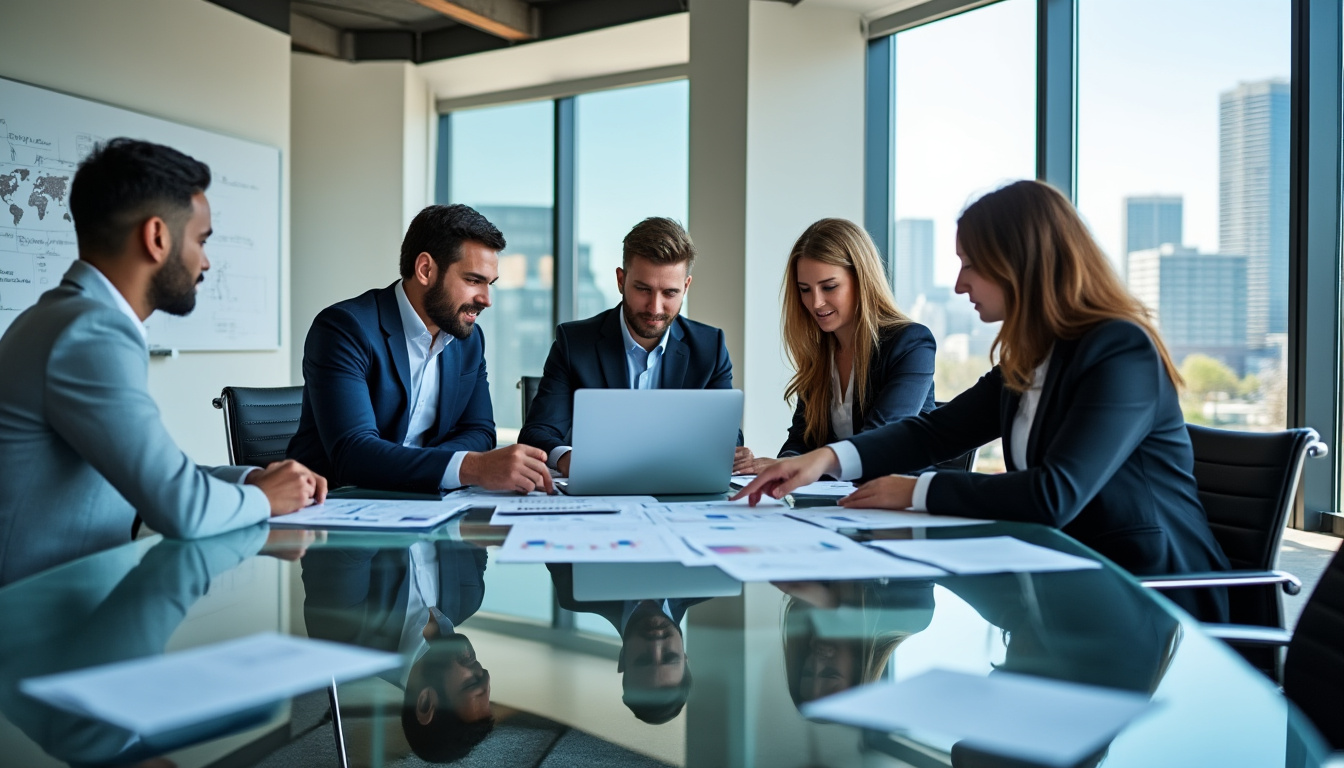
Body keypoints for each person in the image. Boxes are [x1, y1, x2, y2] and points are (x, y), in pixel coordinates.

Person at [735, 180, 1229, 622]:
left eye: (970, 264)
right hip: (1064, 587)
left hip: (1152, 601)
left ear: (1020, 265)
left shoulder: (1121, 350)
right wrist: (826, 458)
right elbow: (938, 430)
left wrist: (915, 492)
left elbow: (1053, 495)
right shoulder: (1031, 356)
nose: (959, 283)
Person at [0, 138, 324, 587]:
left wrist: (253, 478)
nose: (206, 261)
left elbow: (162, 473)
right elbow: (181, 507)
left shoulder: (61, 318)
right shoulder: (91, 333)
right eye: (201, 240)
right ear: (157, 238)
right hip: (43, 623)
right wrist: (266, 499)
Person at [287, 204, 554, 495]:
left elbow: (479, 431)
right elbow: (353, 454)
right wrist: (471, 468)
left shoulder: (468, 340)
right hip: (335, 510)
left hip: (426, 504)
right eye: (473, 280)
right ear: (425, 269)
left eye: (490, 284)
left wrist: (445, 467)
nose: (486, 299)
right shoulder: (344, 329)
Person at [518, 217, 744, 476]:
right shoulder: (574, 343)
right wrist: (568, 458)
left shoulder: (710, 348)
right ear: (621, 280)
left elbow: (727, 438)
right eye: (643, 289)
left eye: (669, 293)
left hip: (678, 491)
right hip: (599, 490)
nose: (655, 308)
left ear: (686, 286)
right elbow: (536, 433)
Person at [741, 218, 936, 474]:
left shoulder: (911, 344)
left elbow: (880, 439)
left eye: (829, 287)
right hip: (839, 502)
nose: (816, 303)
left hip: (899, 501)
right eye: (805, 290)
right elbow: (802, 440)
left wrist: (793, 465)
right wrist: (770, 467)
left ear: (862, 280)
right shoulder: (822, 352)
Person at [302, 538, 494, 762]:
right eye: (484, 676)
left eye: (471, 682)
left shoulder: (345, 639)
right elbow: (475, 524)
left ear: (425, 702)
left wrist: (442, 522)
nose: (480, 668)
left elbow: (350, 536)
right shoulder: (468, 597)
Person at [546, 564, 705, 724]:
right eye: (669, 657)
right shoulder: (706, 584)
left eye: (643, 659)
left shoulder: (574, 593)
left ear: (623, 658)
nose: (656, 644)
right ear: (683, 655)